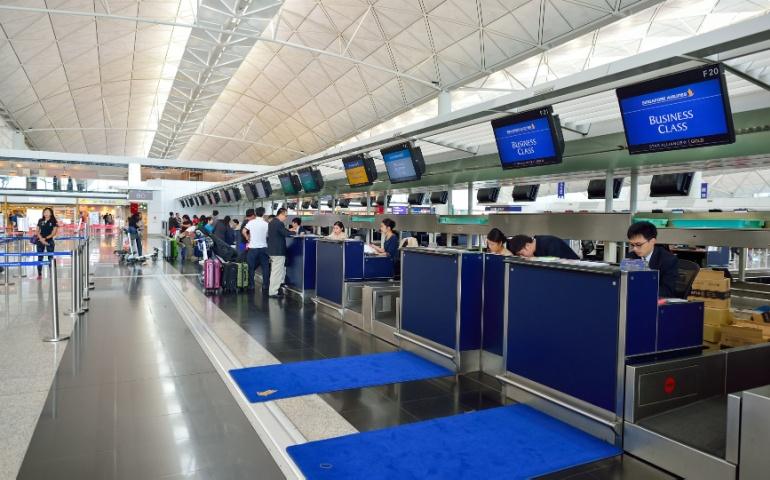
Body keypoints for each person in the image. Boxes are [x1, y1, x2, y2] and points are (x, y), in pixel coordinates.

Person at [626, 221, 679, 298]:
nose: (634, 249)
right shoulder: (631, 257)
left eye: (638, 244)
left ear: (652, 241)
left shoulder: (668, 260)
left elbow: (668, 290)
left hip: (656, 302)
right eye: (632, 245)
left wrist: (641, 291)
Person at [266, 208, 294, 297]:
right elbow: (285, 233)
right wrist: (294, 232)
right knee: (276, 272)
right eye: (285, 216)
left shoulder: (272, 222)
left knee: (275, 271)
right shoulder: (278, 223)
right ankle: (273, 292)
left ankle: (272, 290)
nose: (285, 218)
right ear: (281, 214)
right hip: (278, 251)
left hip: (272, 250)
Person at [243, 208, 270, 293]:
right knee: (265, 268)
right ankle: (265, 285)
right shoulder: (266, 224)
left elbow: (244, 231)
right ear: (264, 214)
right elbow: (268, 235)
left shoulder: (251, 222)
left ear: (255, 213)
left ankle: (251, 285)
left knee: (251, 267)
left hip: (253, 248)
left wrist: (248, 238)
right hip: (264, 248)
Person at [508, 234, 579, 260]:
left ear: (527, 245)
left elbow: (555, 262)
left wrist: (534, 259)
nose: (522, 257)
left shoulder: (550, 243)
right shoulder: (535, 248)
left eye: (521, 254)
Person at [35, 207, 58, 278]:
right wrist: (41, 239)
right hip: (40, 240)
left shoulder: (54, 221)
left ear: (51, 213)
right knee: (40, 257)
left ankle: (52, 273)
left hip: (49, 241)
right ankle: (39, 274)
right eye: (45, 212)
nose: (46, 213)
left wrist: (45, 238)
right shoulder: (40, 220)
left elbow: (54, 233)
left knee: (50, 257)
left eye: (47, 212)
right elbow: (37, 231)